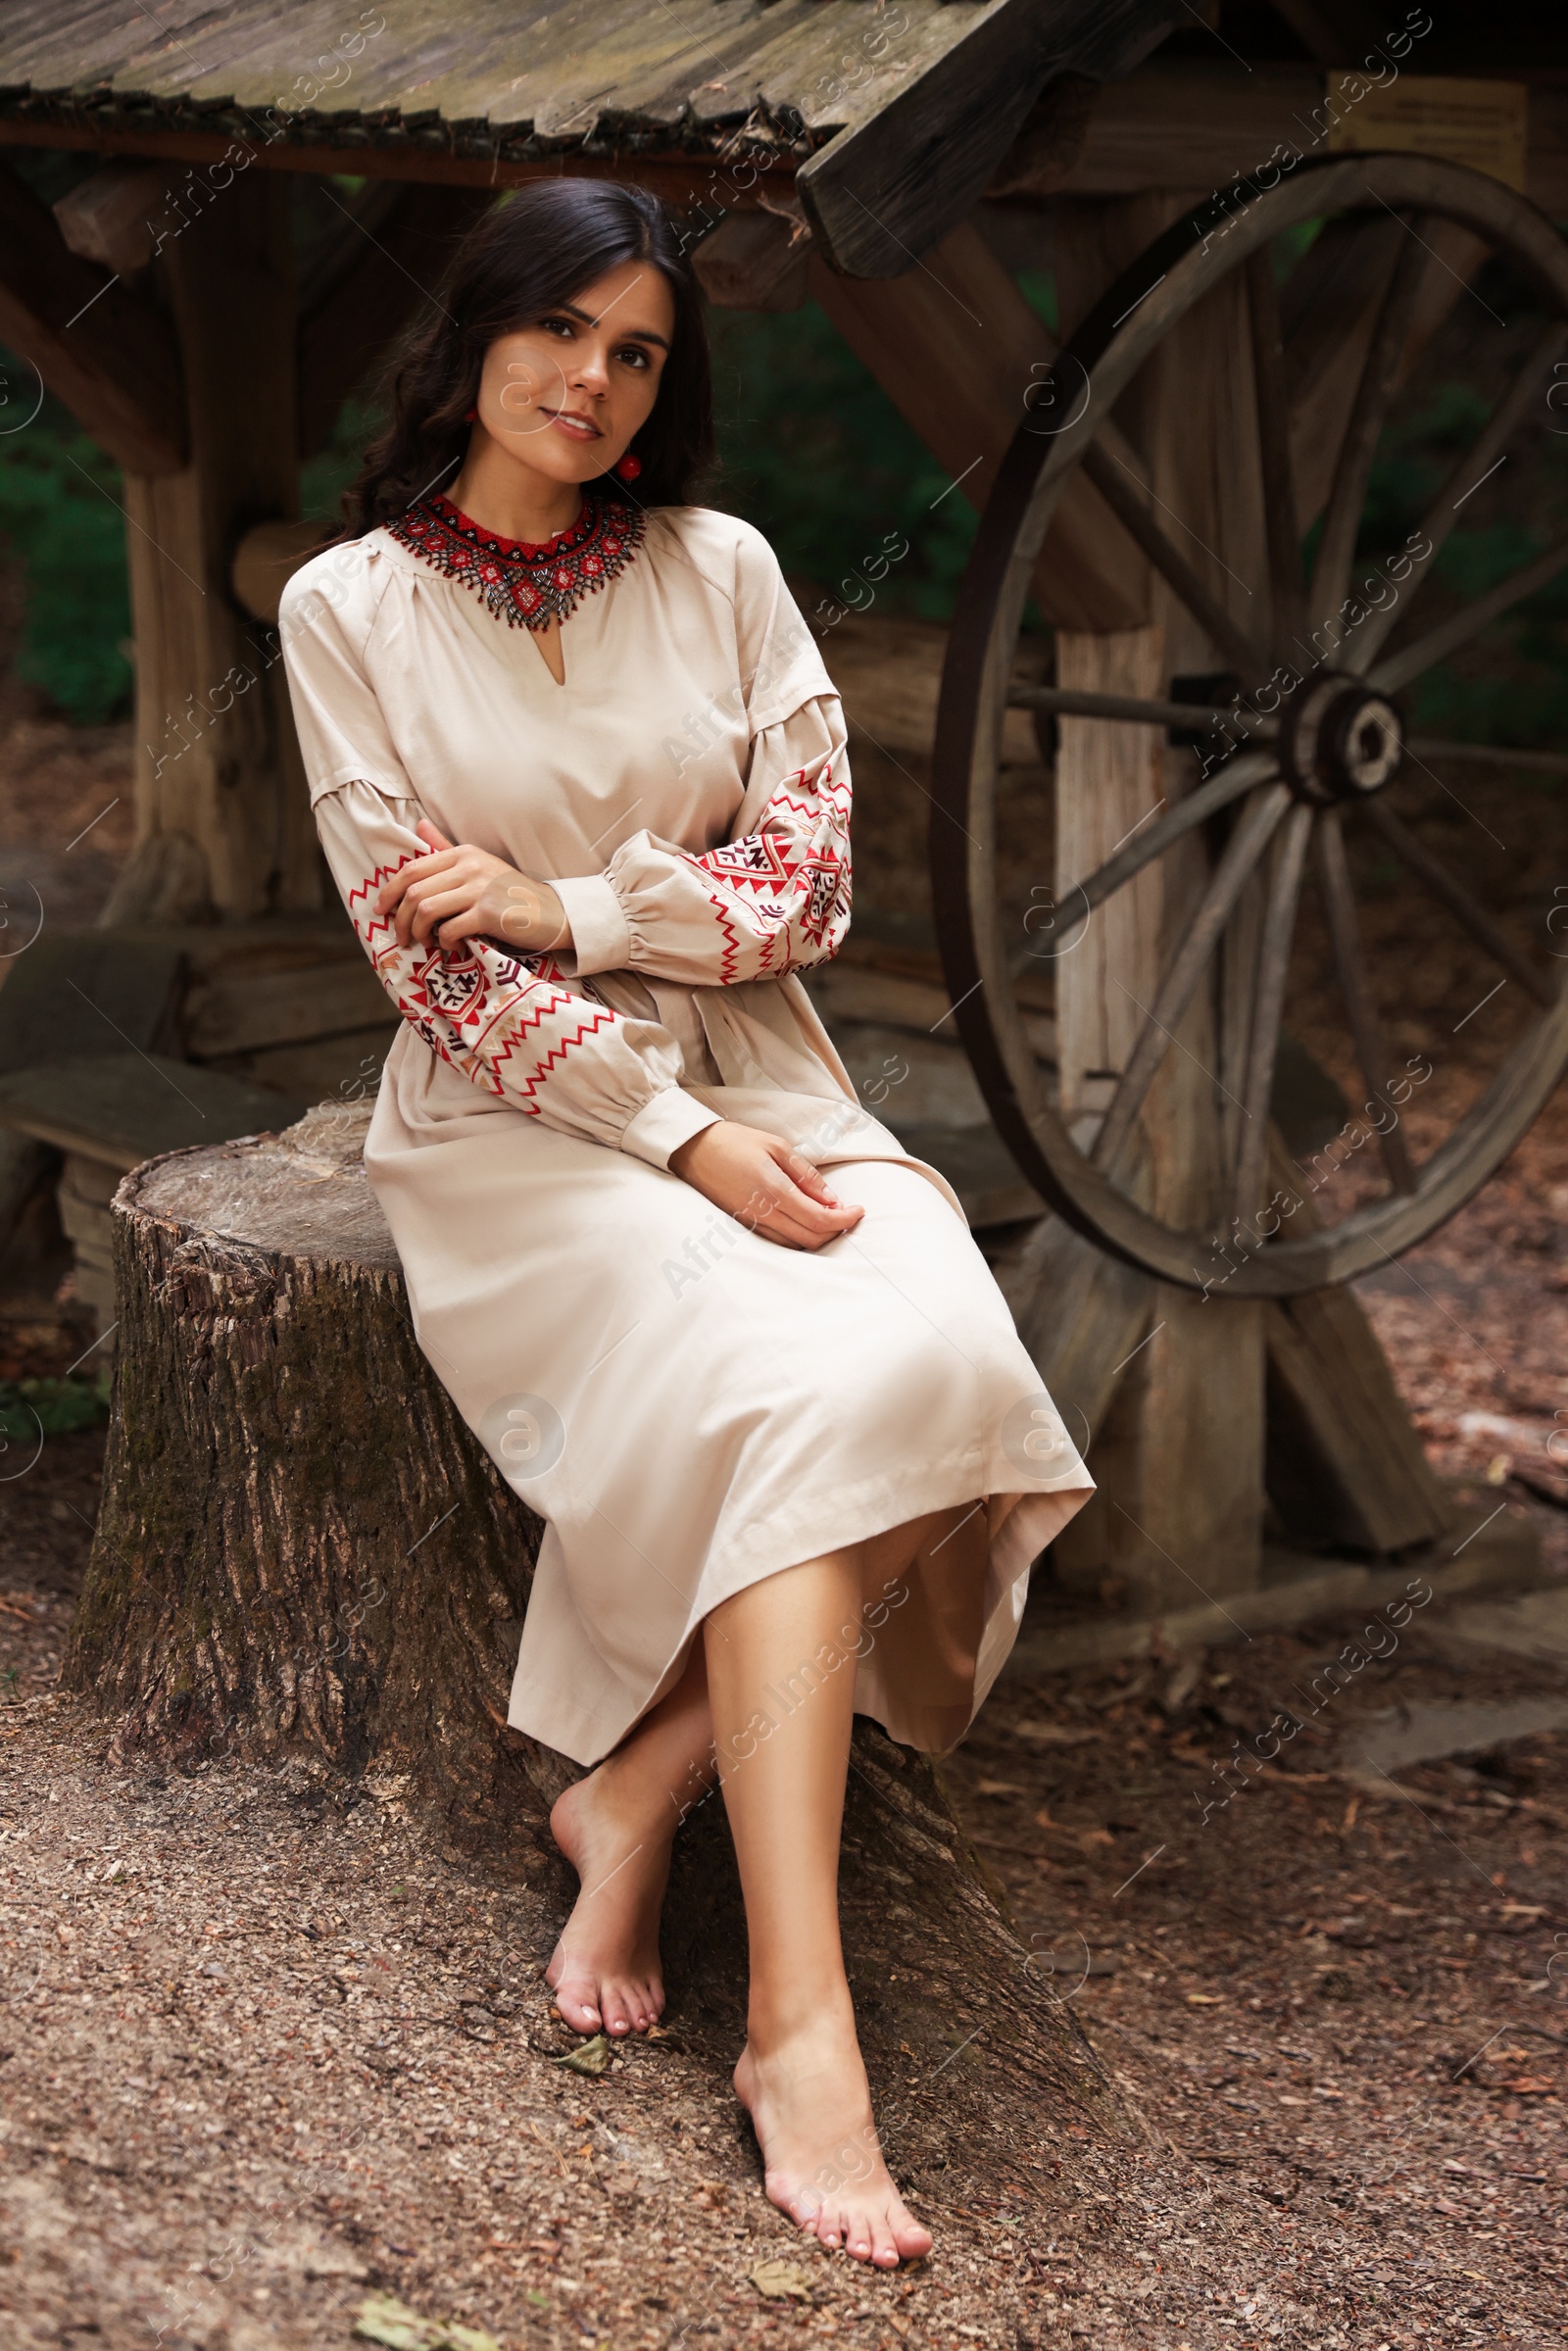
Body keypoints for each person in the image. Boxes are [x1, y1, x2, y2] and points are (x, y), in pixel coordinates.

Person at [280, 179, 1091, 2271]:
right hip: (516, 1129)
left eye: (636, 350)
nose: (590, 378)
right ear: (472, 341)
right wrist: (670, 1131)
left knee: (947, 1354)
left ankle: (630, 1792)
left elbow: (806, 889)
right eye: (557, 330)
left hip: (769, 1068)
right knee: (787, 1377)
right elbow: (429, 963)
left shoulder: (721, 569)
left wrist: (583, 903)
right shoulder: (345, 607)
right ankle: (800, 2027)